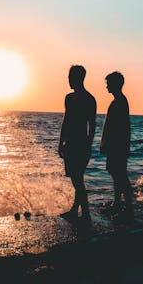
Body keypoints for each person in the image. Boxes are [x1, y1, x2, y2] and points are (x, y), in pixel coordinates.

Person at [58, 65, 97, 222]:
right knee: (76, 178)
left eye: (70, 78)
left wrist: (88, 145)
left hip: (81, 144)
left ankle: (85, 213)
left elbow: (92, 125)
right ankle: (75, 210)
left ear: (78, 78)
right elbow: (66, 121)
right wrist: (61, 142)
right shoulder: (69, 97)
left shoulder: (89, 99)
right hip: (70, 143)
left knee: (77, 180)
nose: (68, 81)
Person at [100, 71, 132, 213]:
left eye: (108, 83)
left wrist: (108, 143)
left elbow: (120, 127)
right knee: (116, 173)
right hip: (116, 145)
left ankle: (127, 205)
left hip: (117, 146)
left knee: (119, 175)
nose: (106, 86)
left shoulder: (120, 102)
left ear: (115, 84)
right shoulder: (118, 101)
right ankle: (118, 202)